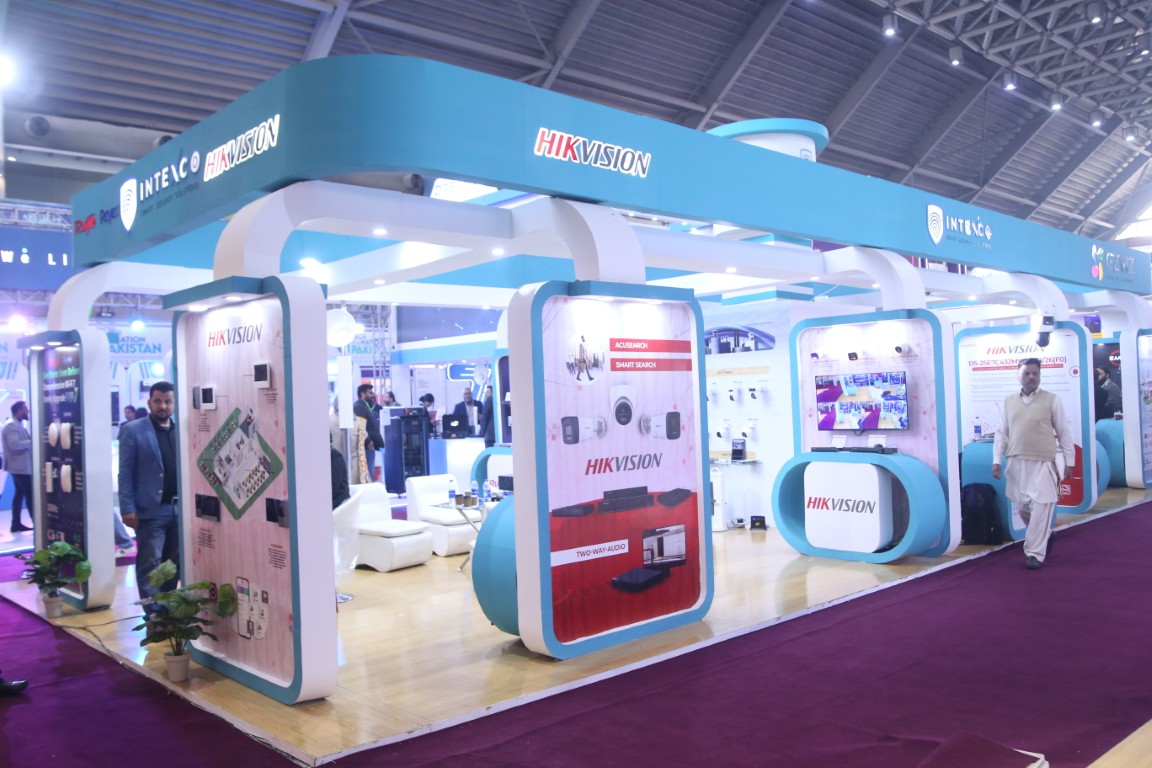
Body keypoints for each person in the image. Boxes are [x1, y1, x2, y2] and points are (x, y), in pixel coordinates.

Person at [991, 358, 1074, 570]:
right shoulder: (1009, 401)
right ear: (1018, 375)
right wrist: (997, 460)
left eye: (1035, 373)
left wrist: (1069, 460)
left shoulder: (1052, 400)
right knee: (1022, 507)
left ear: (1040, 375)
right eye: (1027, 373)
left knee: (1041, 506)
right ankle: (1046, 535)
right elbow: (1001, 433)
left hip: (1043, 462)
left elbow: (1064, 431)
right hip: (1017, 462)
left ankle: (1034, 553)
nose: (1031, 377)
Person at [118, 381, 180, 601]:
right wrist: (127, 508)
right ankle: (153, 613)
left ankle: (168, 608)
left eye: (168, 401)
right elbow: (125, 472)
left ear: (174, 403)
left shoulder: (181, 431)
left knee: (173, 564)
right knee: (150, 563)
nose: (163, 406)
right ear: (149, 403)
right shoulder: (133, 430)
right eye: (158, 401)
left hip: (178, 508)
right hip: (151, 510)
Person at [2, 401, 33, 533]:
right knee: (30, 495)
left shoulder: (17, 424)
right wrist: (33, 442)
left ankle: (16, 524)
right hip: (19, 467)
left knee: (19, 495)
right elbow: (14, 444)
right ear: (19, 410)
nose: (27, 411)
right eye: (25, 409)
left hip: (19, 467)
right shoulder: (11, 425)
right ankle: (37, 522)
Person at [352, 384, 385, 458]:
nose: (372, 395)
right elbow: (360, 427)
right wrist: (368, 442)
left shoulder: (364, 405)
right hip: (367, 447)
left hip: (370, 447)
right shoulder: (359, 407)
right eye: (370, 393)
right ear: (362, 394)